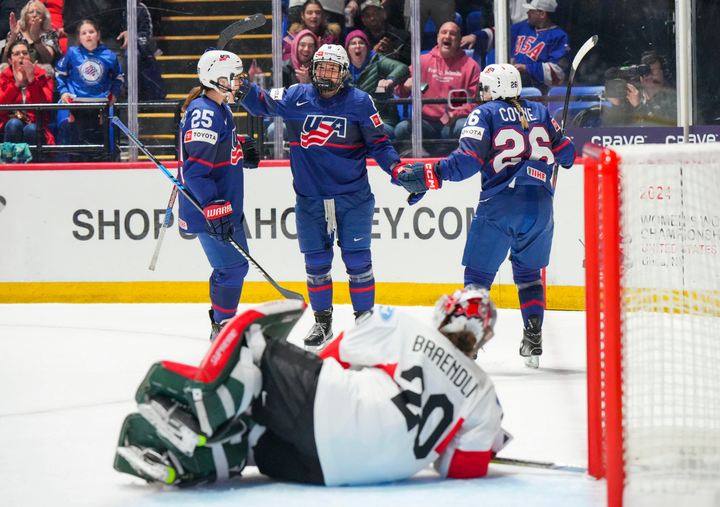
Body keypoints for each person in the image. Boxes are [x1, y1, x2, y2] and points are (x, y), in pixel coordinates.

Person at [114, 289, 511, 487]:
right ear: (482, 339)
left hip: (330, 414)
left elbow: (333, 357)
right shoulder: (483, 391)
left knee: (257, 348)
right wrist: (482, 440)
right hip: (333, 472)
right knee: (253, 438)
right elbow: (458, 468)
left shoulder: (402, 326)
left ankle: (195, 416)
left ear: (446, 311)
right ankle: (189, 461)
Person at [394, 64, 576, 369]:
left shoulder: (485, 113)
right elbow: (567, 156)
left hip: (501, 203)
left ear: (495, 89)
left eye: (485, 88)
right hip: (542, 207)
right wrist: (561, 139)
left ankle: (469, 344)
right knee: (529, 277)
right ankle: (533, 338)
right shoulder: (542, 113)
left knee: (477, 279)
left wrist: (432, 173)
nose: (482, 94)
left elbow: (466, 163)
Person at [240, 44, 405, 352]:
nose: (325, 74)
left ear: (344, 73)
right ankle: (323, 322)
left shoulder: (360, 101)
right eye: (321, 67)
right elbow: (259, 102)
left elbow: (380, 145)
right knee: (316, 264)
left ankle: (365, 324)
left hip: (353, 197)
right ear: (312, 69)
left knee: (358, 263)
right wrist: (239, 83)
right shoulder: (294, 96)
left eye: (332, 68)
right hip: (310, 199)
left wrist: (396, 169)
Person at [177, 49, 260, 340]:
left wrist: (239, 148)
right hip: (210, 207)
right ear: (217, 78)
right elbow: (196, 171)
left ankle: (221, 321)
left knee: (234, 267)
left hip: (224, 204)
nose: (239, 83)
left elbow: (214, 153)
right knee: (234, 268)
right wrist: (214, 205)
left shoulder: (218, 106)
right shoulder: (204, 112)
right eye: (234, 77)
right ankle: (223, 329)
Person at [394, 22, 480, 146]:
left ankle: (453, 159)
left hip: (454, 122)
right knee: (402, 128)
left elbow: (476, 102)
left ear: (460, 40)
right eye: (444, 33)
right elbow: (399, 90)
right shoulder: (422, 61)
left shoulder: (471, 66)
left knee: (465, 128)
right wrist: (405, 86)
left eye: (453, 34)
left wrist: (455, 115)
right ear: (438, 37)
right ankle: (423, 158)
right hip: (425, 122)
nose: (447, 36)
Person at [461, 0, 570, 93]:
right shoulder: (524, 26)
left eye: (531, 11)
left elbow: (559, 72)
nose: (527, 12)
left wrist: (527, 68)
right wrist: (476, 36)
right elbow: (501, 33)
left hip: (536, 88)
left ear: (542, 14)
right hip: (512, 81)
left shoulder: (559, 36)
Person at [55, 19, 124, 161]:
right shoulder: (72, 53)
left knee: (98, 148)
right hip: (77, 106)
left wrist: (114, 94)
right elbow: (60, 72)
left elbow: (119, 77)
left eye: (91, 32)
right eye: (84, 33)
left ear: (98, 35)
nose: (88, 36)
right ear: (79, 37)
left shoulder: (109, 56)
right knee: (78, 148)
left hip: (100, 106)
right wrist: (63, 91)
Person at [345, 29, 409, 138]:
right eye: (353, 43)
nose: (357, 46)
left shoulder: (377, 60)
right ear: (347, 50)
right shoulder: (342, 68)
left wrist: (390, 80)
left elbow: (402, 68)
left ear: (367, 47)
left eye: (361, 43)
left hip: (382, 120)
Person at [0, 40, 55, 147]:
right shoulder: (2, 78)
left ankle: (32, 163)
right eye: (17, 54)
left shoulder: (44, 76)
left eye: (25, 53)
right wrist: (16, 85)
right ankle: (9, 162)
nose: (22, 56)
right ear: (10, 61)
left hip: (36, 125)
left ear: (30, 57)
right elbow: (1, 109)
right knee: (14, 124)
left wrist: (32, 81)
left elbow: (45, 106)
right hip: (8, 125)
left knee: (31, 129)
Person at [3, 1, 62, 66]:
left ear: (44, 17)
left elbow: (48, 59)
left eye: (38, 12)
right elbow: (4, 61)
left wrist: (37, 38)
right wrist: (13, 37)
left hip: (42, 72)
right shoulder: (17, 33)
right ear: (25, 16)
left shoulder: (50, 33)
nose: (34, 15)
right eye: (31, 12)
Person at [627, 51, 677, 127]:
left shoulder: (674, 98)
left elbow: (666, 126)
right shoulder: (630, 96)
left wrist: (639, 106)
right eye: (645, 71)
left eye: (655, 71)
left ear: (664, 73)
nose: (650, 76)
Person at [360, 0, 411, 66]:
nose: (372, 18)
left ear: (384, 14)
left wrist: (393, 53)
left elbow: (411, 62)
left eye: (376, 14)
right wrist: (372, 54)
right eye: (367, 16)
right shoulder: (359, 40)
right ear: (363, 21)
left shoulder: (403, 36)